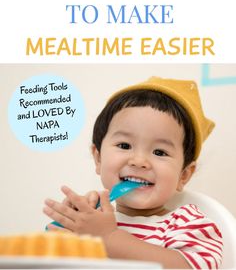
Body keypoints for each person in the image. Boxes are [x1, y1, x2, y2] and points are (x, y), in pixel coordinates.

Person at [43, 76, 223, 269]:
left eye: (159, 152)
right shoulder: (90, 219)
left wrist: (108, 238)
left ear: (184, 175)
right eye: (124, 145)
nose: (139, 161)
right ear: (99, 158)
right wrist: (67, 236)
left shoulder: (188, 224)